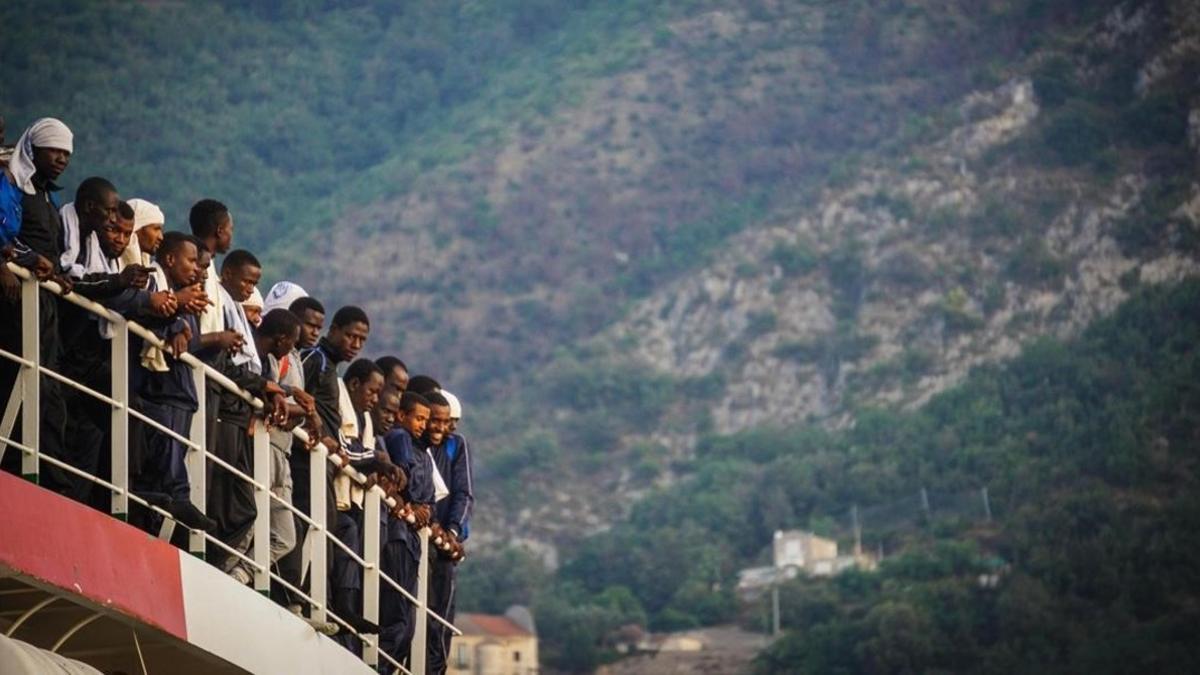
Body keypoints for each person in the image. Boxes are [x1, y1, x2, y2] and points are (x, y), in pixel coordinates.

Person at [206, 248, 287, 584]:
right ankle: (213, 563)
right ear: (226, 274)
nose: (249, 287)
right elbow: (227, 364)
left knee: (241, 506)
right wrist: (262, 385)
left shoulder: (234, 307)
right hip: (224, 415)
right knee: (228, 500)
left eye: (255, 283)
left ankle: (219, 563)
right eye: (246, 280)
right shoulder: (221, 303)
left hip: (237, 417)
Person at [0, 119, 72, 480]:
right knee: (17, 371)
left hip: (45, 301)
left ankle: (46, 467)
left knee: (48, 380)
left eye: (66, 153)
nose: (61, 159)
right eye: (54, 151)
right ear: (34, 149)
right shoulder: (14, 186)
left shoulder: (48, 195)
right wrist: (22, 261)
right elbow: (7, 233)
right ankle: (15, 461)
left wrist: (58, 273)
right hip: (17, 297)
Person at [130, 232, 214, 531]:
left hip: (178, 390)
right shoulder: (155, 283)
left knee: (168, 454)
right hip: (158, 386)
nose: (196, 269)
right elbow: (142, 313)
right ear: (169, 259)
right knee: (159, 451)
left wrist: (179, 319)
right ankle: (176, 499)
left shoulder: (184, 295)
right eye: (191, 261)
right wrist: (176, 318)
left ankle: (173, 503)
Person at [379, 391, 435, 669]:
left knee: (408, 624)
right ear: (402, 416)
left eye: (426, 419)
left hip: (412, 540)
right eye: (419, 418)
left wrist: (424, 509)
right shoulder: (400, 438)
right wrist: (416, 504)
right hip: (399, 536)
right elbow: (401, 480)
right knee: (398, 617)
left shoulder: (423, 453)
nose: (423, 425)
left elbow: (431, 498)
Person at [424, 390, 473, 675]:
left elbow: (464, 493)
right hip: (420, 536)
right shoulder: (413, 442)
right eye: (440, 421)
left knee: (440, 620)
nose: (445, 428)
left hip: (445, 545)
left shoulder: (457, 445)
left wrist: (453, 532)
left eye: (451, 422)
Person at [189, 199, 232, 337]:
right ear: (219, 231)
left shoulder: (210, 266)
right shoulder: (195, 265)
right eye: (230, 229)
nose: (231, 235)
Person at [120, 198, 166, 268]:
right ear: (136, 228)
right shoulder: (113, 263)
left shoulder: (148, 272)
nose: (161, 237)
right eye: (156, 229)